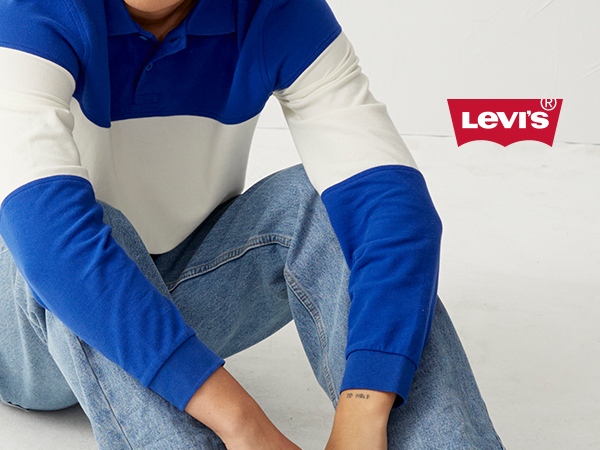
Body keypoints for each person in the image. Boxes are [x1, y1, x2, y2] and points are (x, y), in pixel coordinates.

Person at [0, 0, 505, 448]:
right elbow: (51, 239)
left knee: (329, 205)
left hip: (183, 291)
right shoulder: (32, 11)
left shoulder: (275, 11)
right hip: (30, 332)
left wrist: (365, 407)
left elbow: (392, 206)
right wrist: (243, 423)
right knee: (79, 233)